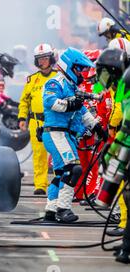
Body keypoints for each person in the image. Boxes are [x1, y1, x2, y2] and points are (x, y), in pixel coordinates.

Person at [42, 47, 107, 223]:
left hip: (65, 134)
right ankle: (64, 209)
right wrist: (71, 103)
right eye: (79, 69)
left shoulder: (71, 86)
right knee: (73, 169)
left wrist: (97, 127)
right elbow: (50, 102)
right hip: (56, 133)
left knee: (61, 172)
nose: (82, 73)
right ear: (70, 66)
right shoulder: (56, 83)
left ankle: (51, 208)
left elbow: (83, 111)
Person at [95, 56, 130, 263]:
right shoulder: (121, 85)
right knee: (127, 195)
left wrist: (110, 153)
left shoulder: (127, 82)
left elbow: (127, 127)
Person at [18, 44, 58, 196]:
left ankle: (58, 183)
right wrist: (22, 117)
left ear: (51, 59)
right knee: (38, 154)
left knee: (56, 153)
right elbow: (24, 101)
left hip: (54, 120)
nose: (42, 62)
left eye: (45, 58)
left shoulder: (59, 77)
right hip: (35, 122)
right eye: (39, 59)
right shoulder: (31, 80)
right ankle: (40, 185)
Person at [74, 49, 112, 205]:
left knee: (97, 163)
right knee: (82, 163)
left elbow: (103, 111)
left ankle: (93, 192)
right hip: (83, 129)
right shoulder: (79, 83)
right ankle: (80, 192)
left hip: (99, 131)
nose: (86, 70)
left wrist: (94, 127)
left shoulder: (104, 86)